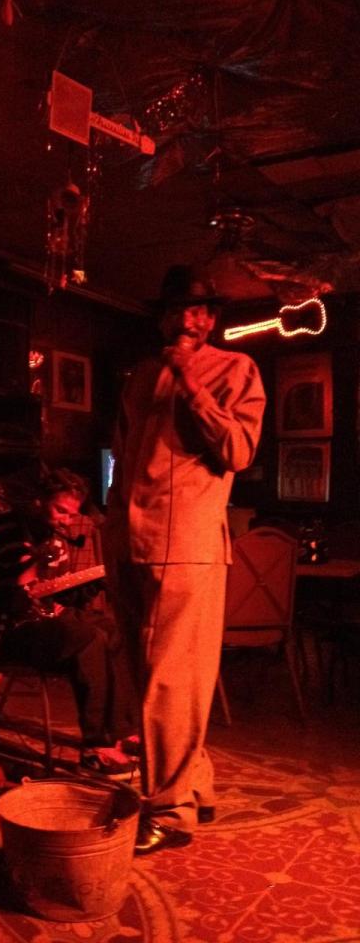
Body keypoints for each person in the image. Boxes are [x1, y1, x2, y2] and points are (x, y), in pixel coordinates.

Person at [102, 263, 266, 854]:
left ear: (212, 319)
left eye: (198, 311)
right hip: (129, 539)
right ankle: (195, 785)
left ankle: (169, 812)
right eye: (176, 310)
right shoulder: (142, 375)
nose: (186, 321)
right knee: (145, 676)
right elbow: (123, 455)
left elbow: (239, 450)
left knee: (172, 681)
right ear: (163, 317)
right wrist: (108, 525)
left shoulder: (236, 369)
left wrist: (192, 385)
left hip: (188, 544)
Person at [0, 465, 137, 777]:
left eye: (72, 514)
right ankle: (96, 748)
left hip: (43, 625)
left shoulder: (52, 539)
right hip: (5, 633)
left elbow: (53, 595)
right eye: (61, 510)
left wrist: (87, 587)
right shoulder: (3, 530)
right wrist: (8, 591)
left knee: (111, 629)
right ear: (37, 501)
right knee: (89, 638)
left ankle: (119, 731)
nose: (67, 520)